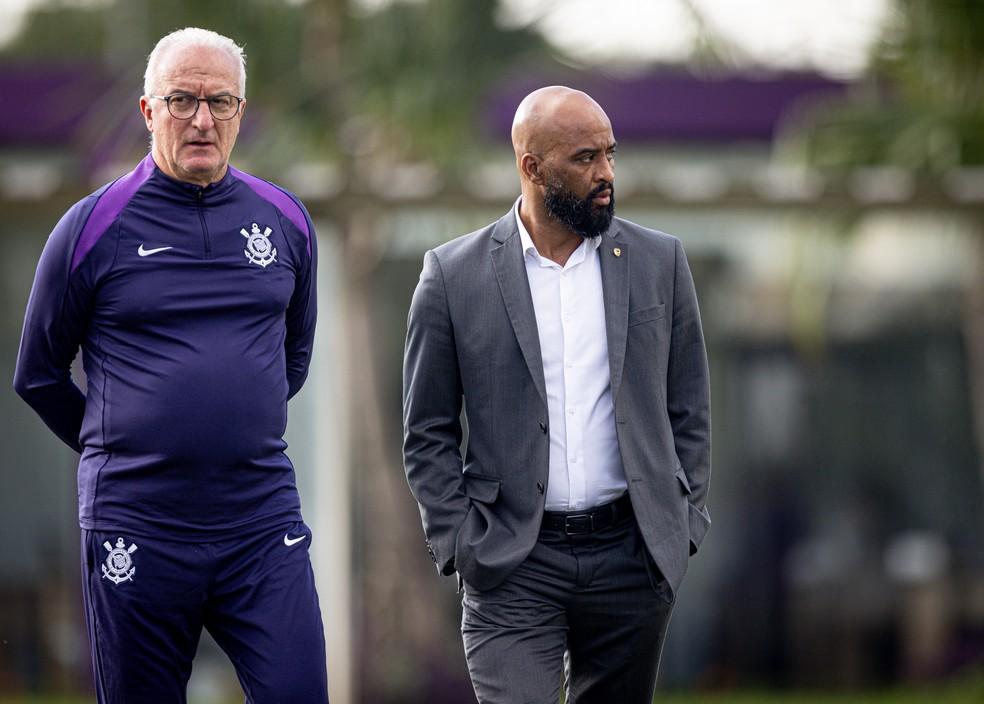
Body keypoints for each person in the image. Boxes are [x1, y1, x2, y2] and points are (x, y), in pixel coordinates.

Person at [14, 27, 328, 703]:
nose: (203, 120)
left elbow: (290, 360)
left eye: (222, 102)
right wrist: (122, 443)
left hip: (259, 520)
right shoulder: (91, 227)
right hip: (139, 523)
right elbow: (38, 373)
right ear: (148, 111)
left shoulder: (286, 222)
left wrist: (230, 429)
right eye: (182, 100)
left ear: (242, 111)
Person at [403, 86, 711, 703]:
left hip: (632, 557)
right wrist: (461, 541)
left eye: (610, 154)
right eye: (585, 158)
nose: (606, 174)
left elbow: (690, 410)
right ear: (531, 167)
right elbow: (427, 429)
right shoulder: (452, 275)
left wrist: (683, 523)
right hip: (512, 560)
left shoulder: (659, 261)